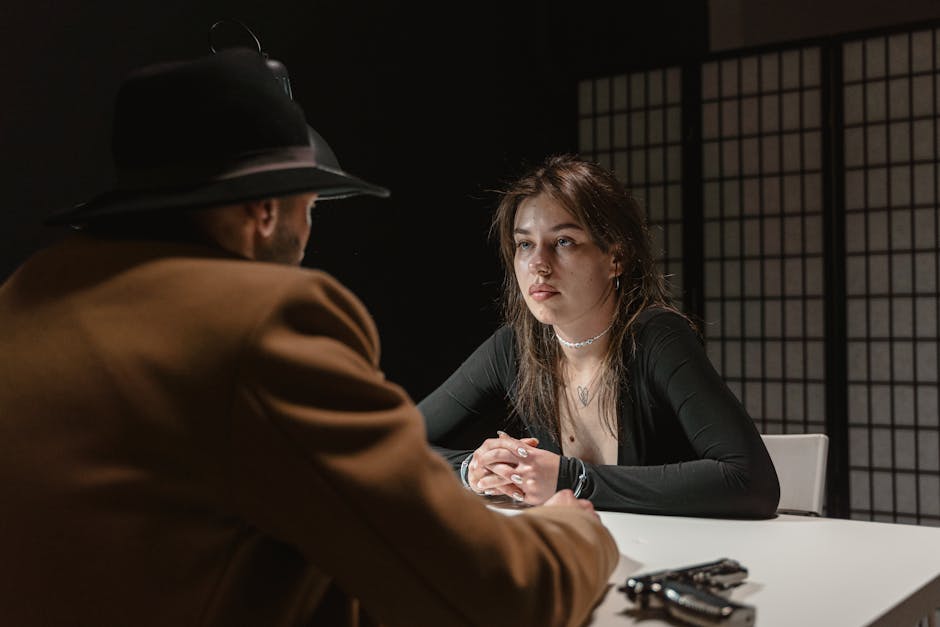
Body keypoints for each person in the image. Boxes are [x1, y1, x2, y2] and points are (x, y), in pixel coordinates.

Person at [0, 49, 619, 627]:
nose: (309, 231)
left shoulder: (26, 294)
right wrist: (574, 531)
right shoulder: (260, 319)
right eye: (311, 206)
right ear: (265, 211)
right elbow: (495, 590)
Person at [419, 154, 781, 518]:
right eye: (525, 244)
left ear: (615, 258)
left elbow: (752, 483)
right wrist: (470, 470)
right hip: (575, 546)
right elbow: (395, 442)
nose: (538, 264)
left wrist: (572, 479)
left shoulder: (657, 339)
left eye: (564, 241)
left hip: (676, 550)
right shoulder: (513, 347)